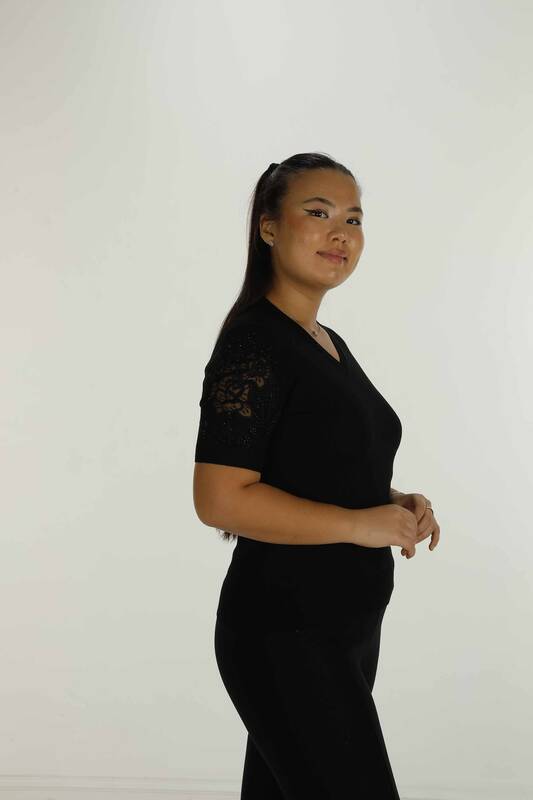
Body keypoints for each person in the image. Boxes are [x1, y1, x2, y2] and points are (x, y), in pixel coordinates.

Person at [193, 152, 441, 799]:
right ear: (268, 227)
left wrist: (393, 502)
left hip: (344, 628)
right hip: (286, 631)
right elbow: (220, 499)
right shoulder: (255, 342)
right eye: (318, 212)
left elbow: (316, 467)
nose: (341, 233)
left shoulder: (324, 341)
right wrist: (360, 524)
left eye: (353, 219)